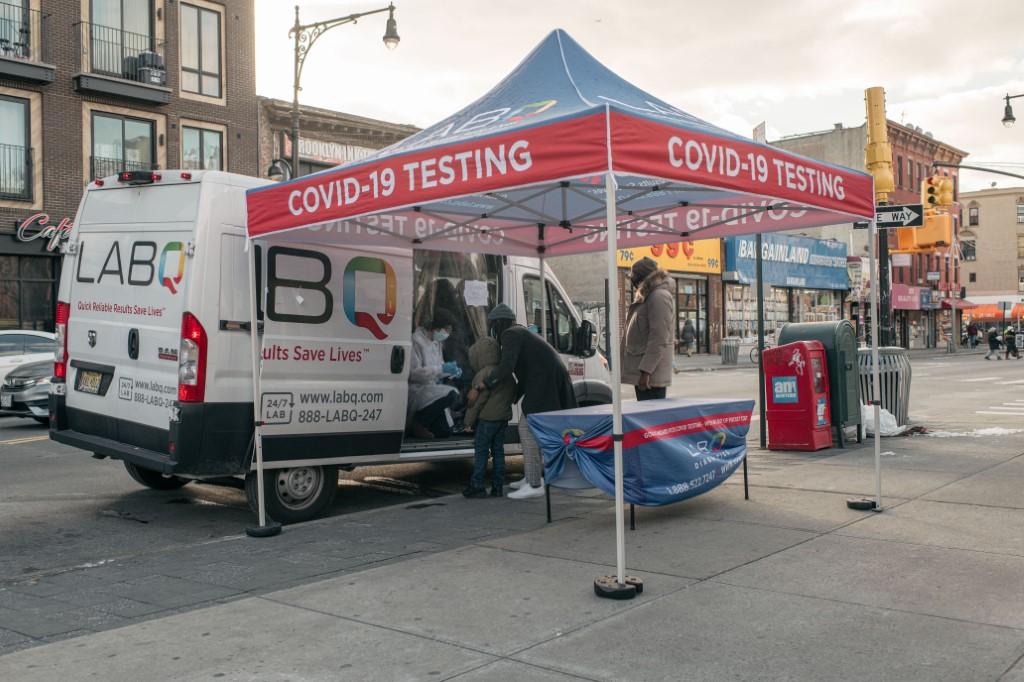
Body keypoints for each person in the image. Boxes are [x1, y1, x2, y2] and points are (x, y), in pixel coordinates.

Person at [473, 303, 577, 500]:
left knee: (526, 430)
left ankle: (534, 484)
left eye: (494, 324)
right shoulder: (521, 332)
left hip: (545, 384)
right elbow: (526, 369)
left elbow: (506, 366)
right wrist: (516, 394)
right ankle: (531, 475)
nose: (493, 329)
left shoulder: (510, 334)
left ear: (500, 323)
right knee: (530, 430)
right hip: (547, 381)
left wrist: (483, 385)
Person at [461, 337, 517, 498]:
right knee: (498, 452)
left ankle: (477, 486)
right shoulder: (505, 373)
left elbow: (477, 402)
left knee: (481, 452)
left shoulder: (483, 374)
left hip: (487, 420)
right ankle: (497, 487)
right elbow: (513, 395)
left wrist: (468, 422)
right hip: (503, 419)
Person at [621, 257, 674, 400]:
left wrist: (646, 372)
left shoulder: (658, 297)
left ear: (643, 277)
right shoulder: (649, 295)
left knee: (650, 419)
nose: (632, 280)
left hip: (651, 377)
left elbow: (659, 338)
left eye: (634, 276)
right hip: (646, 374)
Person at [408, 309, 462, 438]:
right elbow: (413, 373)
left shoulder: (436, 343)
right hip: (418, 389)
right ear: (437, 327)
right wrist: (442, 369)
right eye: (446, 330)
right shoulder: (416, 340)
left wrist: (451, 372)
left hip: (432, 391)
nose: (447, 334)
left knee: (444, 432)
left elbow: (439, 369)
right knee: (452, 394)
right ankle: (418, 423)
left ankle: (423, 424)